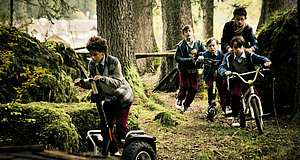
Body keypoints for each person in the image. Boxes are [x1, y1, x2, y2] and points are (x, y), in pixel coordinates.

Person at [74, 36, 133, 156]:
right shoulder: (92, 64)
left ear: (103, 52)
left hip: (122, 97)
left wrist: (102, 79)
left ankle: (132, 147)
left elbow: (118, 82)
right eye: (91, 54)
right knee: (105, 126)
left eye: (95, 54)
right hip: (109, 98)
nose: (93, 57)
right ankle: (114, 151)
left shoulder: (113, 62)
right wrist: (82, 83)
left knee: (121, 125)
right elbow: (92, 83)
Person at [218, 36, 271, 127]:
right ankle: (235, 117)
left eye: (240, 47)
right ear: (232, 48)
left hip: (248, 78)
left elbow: (261, 58)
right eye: (235, 47)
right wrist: (225, 72)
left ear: (243, 47)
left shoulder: (249, 54)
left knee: (256, 95)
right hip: (236, 78)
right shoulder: (229, 56)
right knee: (235, 95)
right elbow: (221, 67)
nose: (238, 49)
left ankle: (258, 112)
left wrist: (267, 62)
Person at [220, 7, 259, 115]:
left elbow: (255, 43)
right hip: (230, 55)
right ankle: (227, 104)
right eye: (238, 19)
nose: (240, 21)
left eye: (242, 19)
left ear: (245, 18)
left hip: (243, 57)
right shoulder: (228, 26)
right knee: (225, 80)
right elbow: (223, 40)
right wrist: (228, 48)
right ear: (234, 18)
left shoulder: (248, 29)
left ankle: (255, 109)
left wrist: (251, 49)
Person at [174, 25, 206, 113]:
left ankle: (186, 105)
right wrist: (189, 60)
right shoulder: (181, 45)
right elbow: (177, 57)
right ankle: (180, 98)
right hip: (183, 69)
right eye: (186, 31)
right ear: (183, 34)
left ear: (193, 33)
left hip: (194, 69)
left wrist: (201, 57)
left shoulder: (199, 43)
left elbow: (204, 53)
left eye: (189, 31)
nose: (188, 33)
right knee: (185, 85)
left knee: (194, 89)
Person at [195, 38, 224, 118]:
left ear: (218, 46)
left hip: (219, 75)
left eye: (214, 46)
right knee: (211, 88)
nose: (212, 48)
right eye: (210, 46)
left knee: (222, 89)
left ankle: (224, 105)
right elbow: (198, 66)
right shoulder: (205, 54)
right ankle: (211, 104)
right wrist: (200, 60)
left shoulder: (221, 55)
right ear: (207, 47)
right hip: (209, 75)